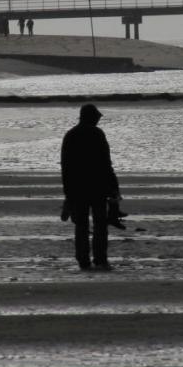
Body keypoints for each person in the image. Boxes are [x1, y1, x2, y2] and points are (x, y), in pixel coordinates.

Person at [60, 104, 124, 270]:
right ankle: (100, 259)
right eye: (96, 117)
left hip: (77, 188)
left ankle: (83, 260)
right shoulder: (97, 134)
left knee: (81, 225)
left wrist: (68, 193)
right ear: (91, 117)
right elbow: (106, 163)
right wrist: (114, 187)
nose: (98, 119)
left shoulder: (70, 135)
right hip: (98, 187)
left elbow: (66, 167)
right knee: (100, 225)